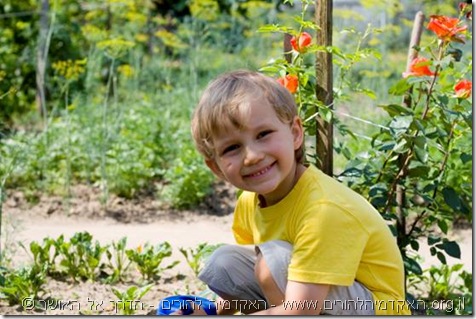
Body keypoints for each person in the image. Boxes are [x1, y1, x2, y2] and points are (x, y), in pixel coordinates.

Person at [186, 70, 410, 315]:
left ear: (295, 133)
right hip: (315, 299)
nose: (252, 156)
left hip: (375, 309)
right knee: (225, 262)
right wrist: (213, 312)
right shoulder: (250, 202)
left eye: (263, 134)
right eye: (232, 148)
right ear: (216, 167)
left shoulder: (323, 209)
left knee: (269, 265)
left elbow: (300, 310)